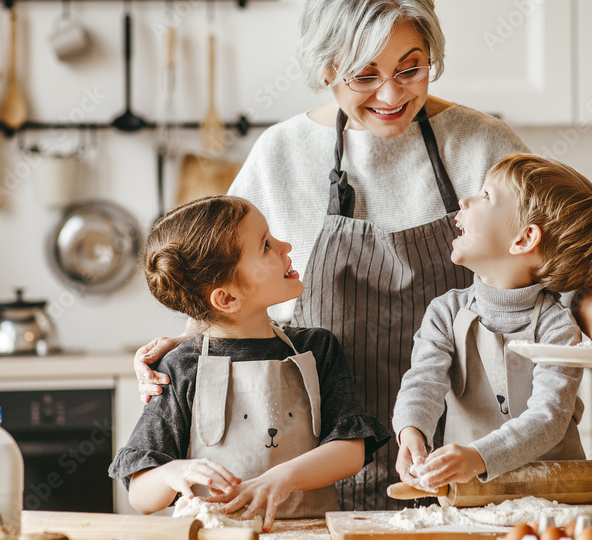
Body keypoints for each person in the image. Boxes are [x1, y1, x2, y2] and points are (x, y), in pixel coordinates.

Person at [133, 0, 592, 510]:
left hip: (475, 459)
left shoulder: (481, 143)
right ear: (325, 70)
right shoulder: (282, 153)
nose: (391, 95)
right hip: (317, 460)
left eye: (411, 68)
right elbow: (222, 282)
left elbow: (574, 261)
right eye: (364, 75)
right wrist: (180, 349)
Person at [109, 196, 390, 532]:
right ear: (227, 298)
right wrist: (173, 472)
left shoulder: (317, 348)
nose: (285, 246)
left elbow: (350, 451)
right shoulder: (181, 368)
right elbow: (140, 494)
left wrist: (280, 479)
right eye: (266, 246)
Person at [392, 153, 592, 491]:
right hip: (470, 493)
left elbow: (549, 418)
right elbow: (424, 382)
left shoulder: (558, 327)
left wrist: (476, 458)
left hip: (553, 496)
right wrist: (412, 431)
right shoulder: (445, 312)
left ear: (523, 239)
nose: (464, 200)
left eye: (485, 196)